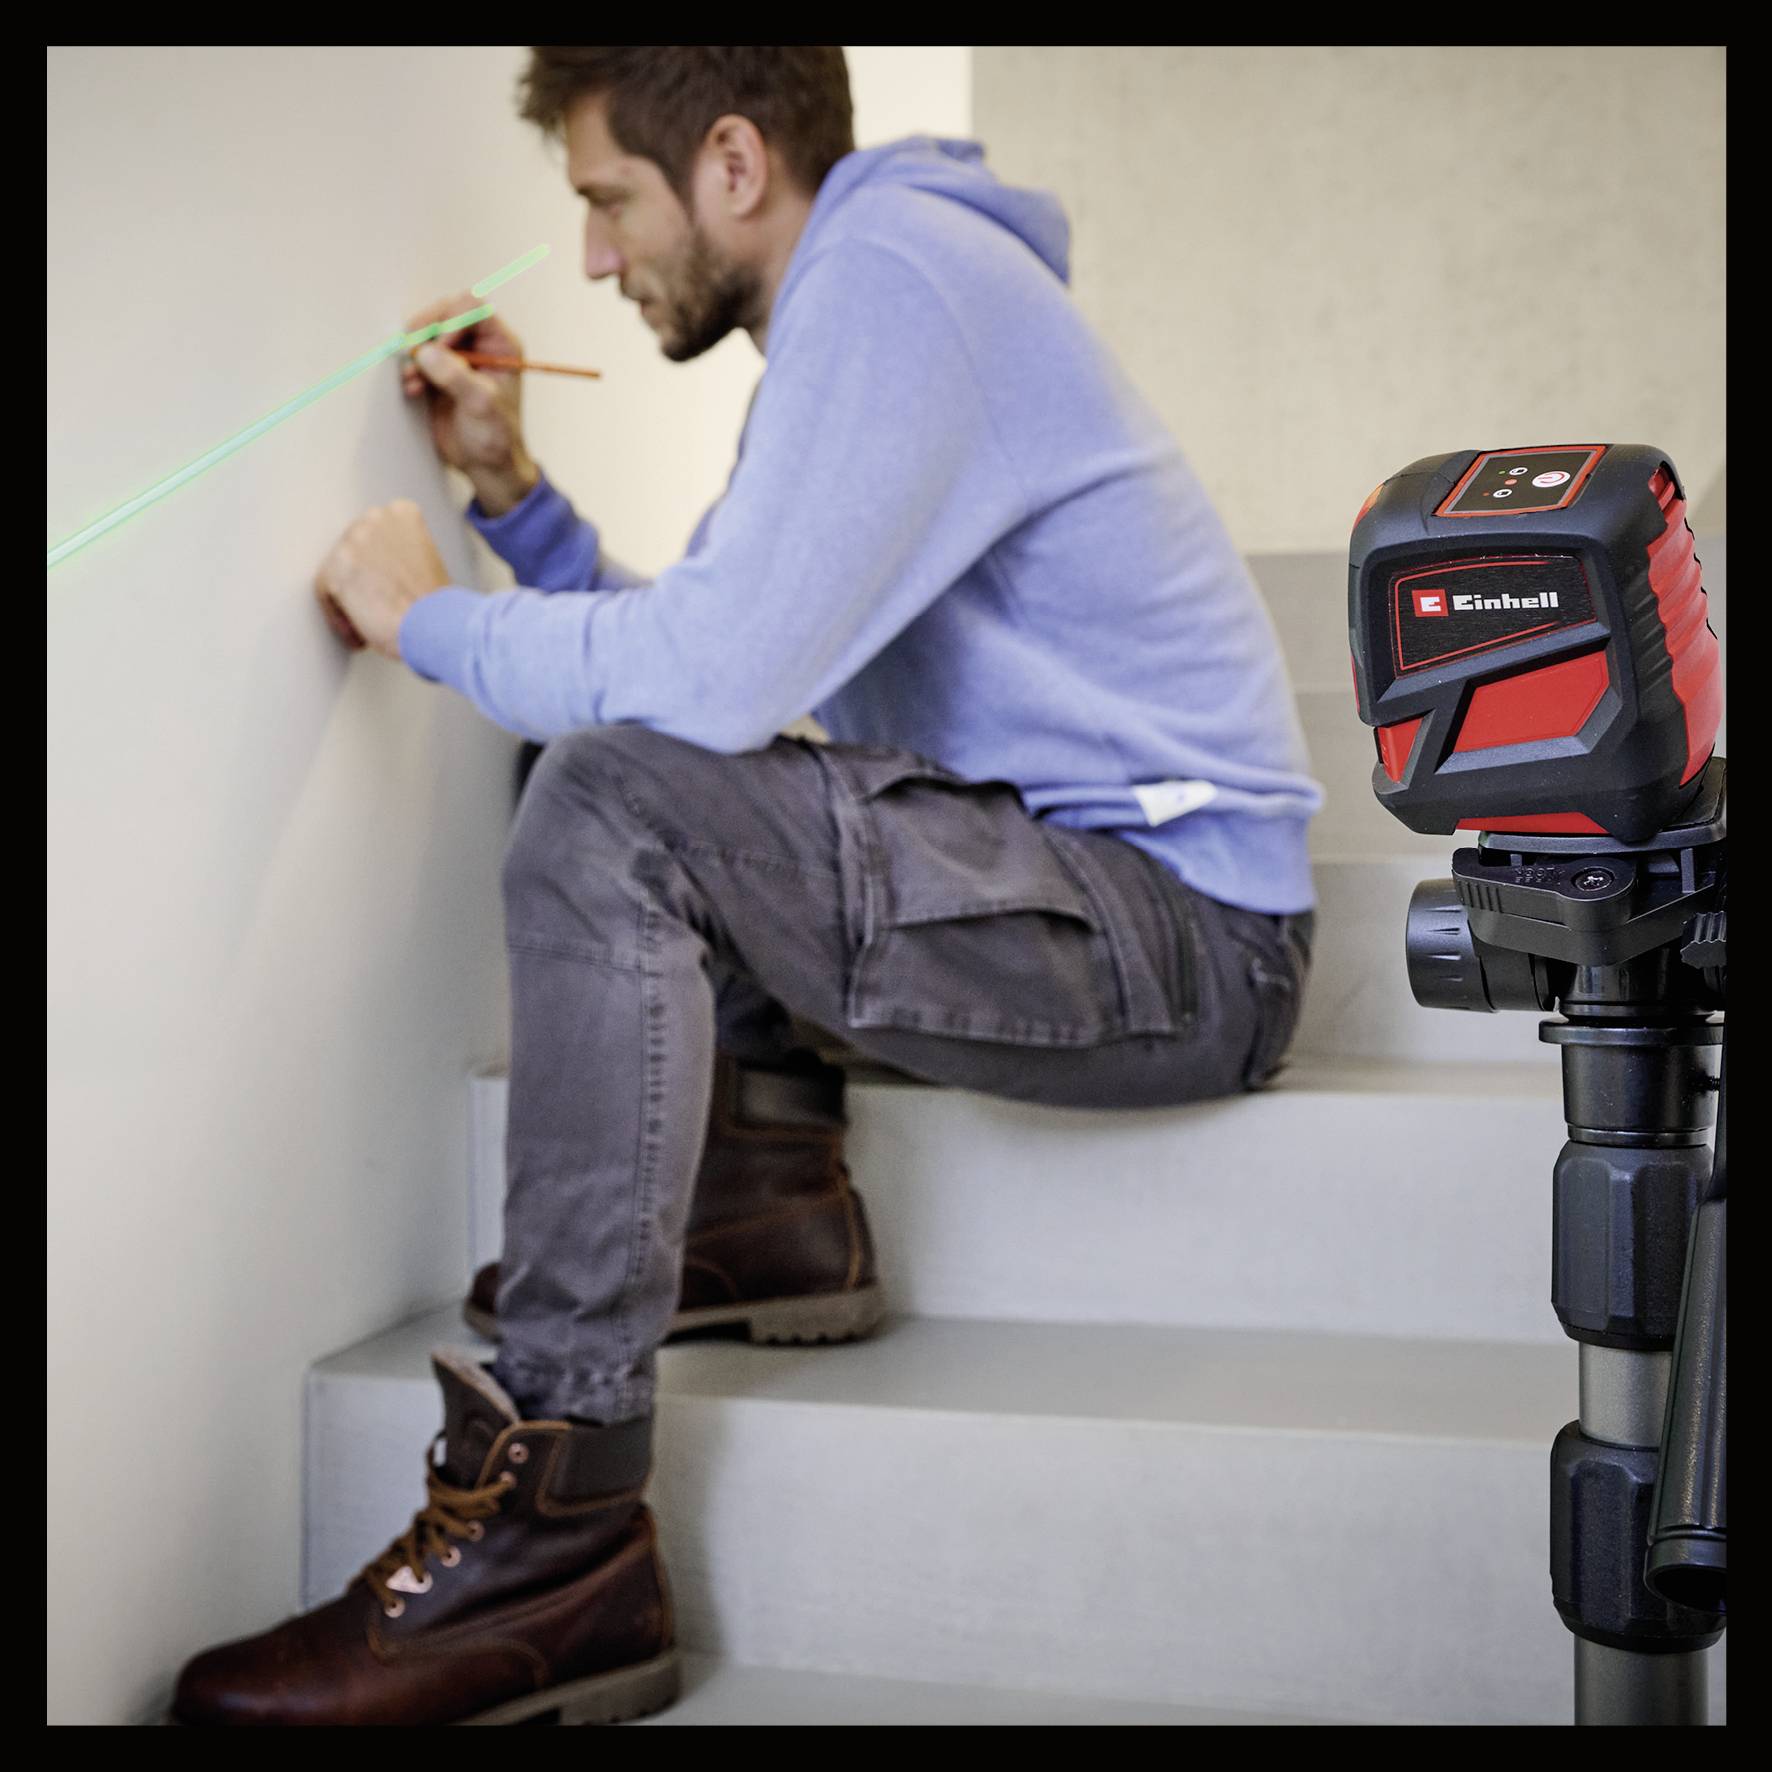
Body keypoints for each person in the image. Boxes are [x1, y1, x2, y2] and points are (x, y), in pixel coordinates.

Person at [171, 45, 1322, 1726]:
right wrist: (514, 500)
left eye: (606, 202)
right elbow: (707, 671)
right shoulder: (879, 291)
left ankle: (556, 1527)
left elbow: (700, 687)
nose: (590, 257)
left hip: (1183, 936)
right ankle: (759, 1204)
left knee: (608, 795)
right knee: (608, 764)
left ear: (728, 162)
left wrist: (428, 622)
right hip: (1078, 892)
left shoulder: (902, 281)